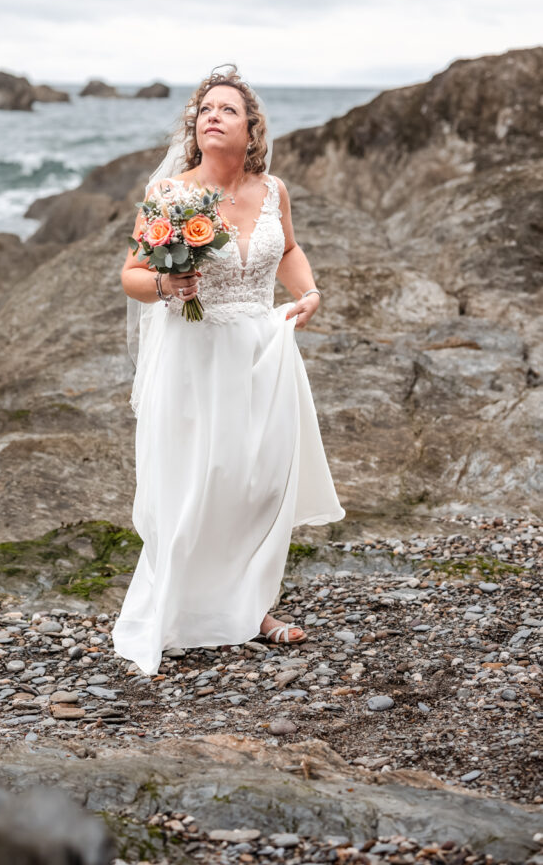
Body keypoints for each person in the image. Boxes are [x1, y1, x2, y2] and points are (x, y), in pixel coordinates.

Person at [111, 64, 346, 676]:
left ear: (251, 129)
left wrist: (309, 291)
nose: (212, 116)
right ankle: (178, 609)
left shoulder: (274, 191)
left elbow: (288, 249)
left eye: (228, 110)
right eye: (205, 109)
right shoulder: (170, 195)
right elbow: (132, 275)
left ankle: (253, 608)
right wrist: (166, 281)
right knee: (195, 483)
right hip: (194, 351)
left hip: (263, 346)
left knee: (260, 481)